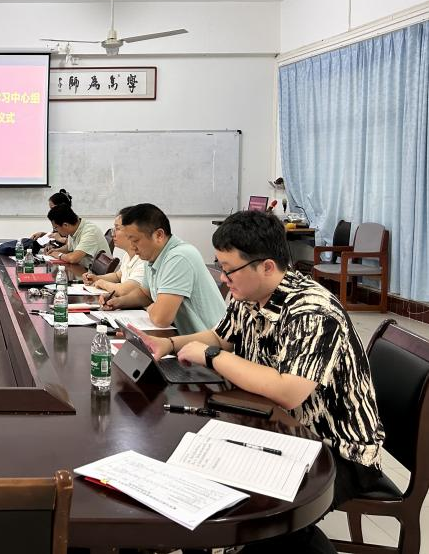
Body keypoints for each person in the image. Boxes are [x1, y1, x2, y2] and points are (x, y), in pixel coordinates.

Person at [133, 210, 385, 554]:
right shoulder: (249, 294)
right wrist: (171, 344)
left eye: (229, 269)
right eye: (220, 266)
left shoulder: (311, 310)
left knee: (264, 514)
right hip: (280, 428)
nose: (223, 278)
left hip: (335, 448)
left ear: (266, 266)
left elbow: (288, 391)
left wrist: (212, 358)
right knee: (188, 466)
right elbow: (222, 337)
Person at [106, 203, 224, 334]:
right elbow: (145, 294)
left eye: (135, 240)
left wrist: (152, 308)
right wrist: (118, 302)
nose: (132, 247)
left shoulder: (179, 257)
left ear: (159, 235)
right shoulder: (151, 255)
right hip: (182, 338)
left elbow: (161, 318)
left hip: (209, 345)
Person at [82, 207, 145, 299]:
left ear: (132, 231)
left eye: (117, 228)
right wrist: (96, 278)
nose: (113, 234)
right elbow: (118, 276)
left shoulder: (144, 258)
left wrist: (102, 283)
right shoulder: (128, 254)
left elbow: (124, 290)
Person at [46, 204, 109, 268]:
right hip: (84, 270)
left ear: (65, 225)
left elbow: (73, 258)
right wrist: (56, 250)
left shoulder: (90, 231)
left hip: (96, 274)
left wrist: (58, 254)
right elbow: (69, 247)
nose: (55, 230)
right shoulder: (74, 228)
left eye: (56, 227)